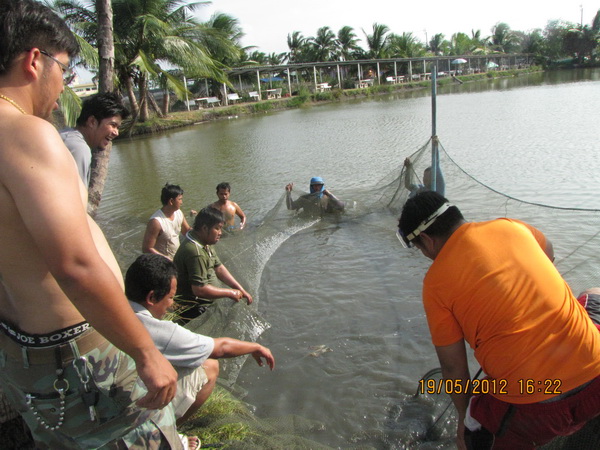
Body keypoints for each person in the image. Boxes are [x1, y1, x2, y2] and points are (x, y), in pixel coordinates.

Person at [0, 2, 180, 448]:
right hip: (78, 363)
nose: (65, 86)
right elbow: (75, 265)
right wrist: (146, 351)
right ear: (34, 60)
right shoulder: (25, 133)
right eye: (64, 68)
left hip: (25, 357)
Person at [397, 191, 600, 450]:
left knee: (473, 438)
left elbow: (453, 369)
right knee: (594, 294)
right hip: (597, 374)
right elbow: (548, 252)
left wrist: (462, 418)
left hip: (538, 409)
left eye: (420, 249)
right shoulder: (510, 226)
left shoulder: (435, 284)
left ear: (426, 239)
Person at [125, 254, 274, 430]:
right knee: (210, 366)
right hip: (129, 412)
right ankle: (167, 431)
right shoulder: (162, 332)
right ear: (151, 298)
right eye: (171, 297)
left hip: (111, 391)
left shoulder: (108, 309)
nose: (172, 304)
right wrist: (255, 347)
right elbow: (220, 348)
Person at [173, 207, 252, 323]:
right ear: (204, 228)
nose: (220, 233)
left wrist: (240, 289)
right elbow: (199, 290)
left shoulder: (203, 241)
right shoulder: (195, 252)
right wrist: (230, 293)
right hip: (195, 309)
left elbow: (218, 267)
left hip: (206, 303)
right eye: (217, 228)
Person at [60, 92, 129, 187]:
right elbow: (75, 198)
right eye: (113, 125)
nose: (116, 133)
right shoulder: (78, 148)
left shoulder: (65, 136)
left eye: (118, 127)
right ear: (92, 122)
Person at [142, 183, 192, 260]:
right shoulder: (156, 222)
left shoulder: (178, 213)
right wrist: (167, 259)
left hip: (176, 258)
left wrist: (202, 235)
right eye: (180, 199)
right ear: (171, 201)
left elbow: (186, 232)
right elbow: (147, 249)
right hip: (162, 263)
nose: (181, 202)